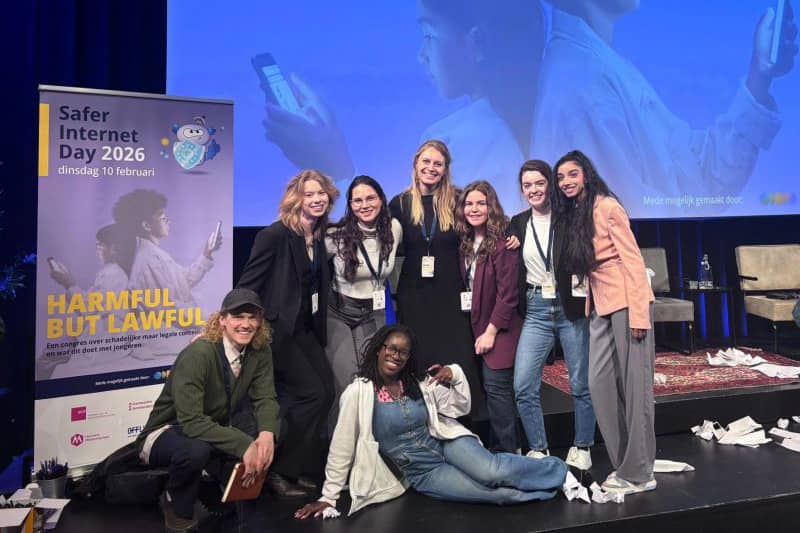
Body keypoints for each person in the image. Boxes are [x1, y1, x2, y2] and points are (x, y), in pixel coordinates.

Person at [262, 1, 545, 207]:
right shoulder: (517, 122)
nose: (422, 54)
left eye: (429, 35)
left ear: (476, 43)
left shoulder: (458, 137)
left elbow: (410, 227)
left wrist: (332, 164)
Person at [532, 0, 795, 212]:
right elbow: (631, 219)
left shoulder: (601, 66)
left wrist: (759, 77)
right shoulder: (582, 82)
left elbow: (696, 177)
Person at [294, 324, 567, 519]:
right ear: (378, 350)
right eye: (390, 349)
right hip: (423, 472)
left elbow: (460, 406)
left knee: (492, 473)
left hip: (447, 443)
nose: (395, 356)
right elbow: (341, 446)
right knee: (498, 495)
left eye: (402, 352)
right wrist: (328, 496)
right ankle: (551, 486)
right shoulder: (359, 392)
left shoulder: (417, 383)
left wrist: (454, 374)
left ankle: (561, 473)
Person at [554, 150, 655, 495]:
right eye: (561, 177)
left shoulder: (608, 206)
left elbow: (633, 261)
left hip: (627, 302)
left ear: (586, 174)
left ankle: (640, 473)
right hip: (600, 305)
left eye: (572, 174)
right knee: (599, 384)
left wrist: (639, 312)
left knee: (635, 390)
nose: (566, 181)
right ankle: (626, 463)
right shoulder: (577, 212)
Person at [136, 288, 279, 532]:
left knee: (272, 426)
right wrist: (243, 444)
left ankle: (224, 485)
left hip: (212, 425)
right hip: (168, 430)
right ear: (222, 319)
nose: (246, 324)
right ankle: (173, 500)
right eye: (238, 317)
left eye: (252, 317)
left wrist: (267, 434)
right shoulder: (199, 353)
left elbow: (265, 397)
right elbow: (191, 421)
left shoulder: (259, 349)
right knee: (196, 449)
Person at [237, 169, 339, 496]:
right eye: (309, 194)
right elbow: (247, 285)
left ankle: (291, 467)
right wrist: (233, 328)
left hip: (305, 330)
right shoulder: (275, 235)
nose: (317, 199)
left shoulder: (319, 235)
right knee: (311, 393)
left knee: (326, 392)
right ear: (297, 199)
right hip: (277, 333)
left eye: (321, 193)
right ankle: (277, 469)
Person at [508, 160, 596, 470]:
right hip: (536, 309)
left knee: (580, 383)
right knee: (523, 385)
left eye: (539, 183)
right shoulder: (517, 223)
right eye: (527, 185)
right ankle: (539, 449)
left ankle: (583, 445)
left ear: (550, 184)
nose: (533, 190)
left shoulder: (570, 217)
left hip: (569, 307)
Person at [388, 140, 485, 418]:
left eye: (438, 164)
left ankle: (466, 426)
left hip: (451, 297)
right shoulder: (400, 203)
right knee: (420, 362)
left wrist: (512, 235)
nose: (431, 168)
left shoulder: (457, 199)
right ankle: (424, 424)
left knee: (458, 361)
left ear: (445, 169)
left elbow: (486, 225)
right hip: (415, 297)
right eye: (426, 162)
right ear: (416, 164)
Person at [325, 175, 403, 418]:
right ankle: (339, 440)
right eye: (357, 200)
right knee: (346, 383)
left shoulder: (394, 228)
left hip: (373, 311)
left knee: (370, 379)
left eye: (370, 198)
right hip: (339, 313)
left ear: (381, 200)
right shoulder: (336, 235)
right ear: (350, 205)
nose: (364, 205)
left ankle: (368, 438)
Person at [454, 180, 522, 453]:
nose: (474, 209)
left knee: (497, 390)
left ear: (491, 206)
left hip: (501, 329)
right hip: (477, 325)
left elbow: (509, 295)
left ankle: (510, 454)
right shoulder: (466, 243)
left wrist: (491, 332)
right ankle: (499, 452)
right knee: (491, 393)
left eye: (481, 203)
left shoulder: (504, 243)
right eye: (469, 204)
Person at [39, 223, 134, 379]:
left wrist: (69, 283)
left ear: (115, 248)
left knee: (45, 363)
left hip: (103, 347)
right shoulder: (112, 273)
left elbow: (87, 308)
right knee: (48, 358)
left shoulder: (113, 274)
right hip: (102, 342)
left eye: (101, 245)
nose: (97, 249)